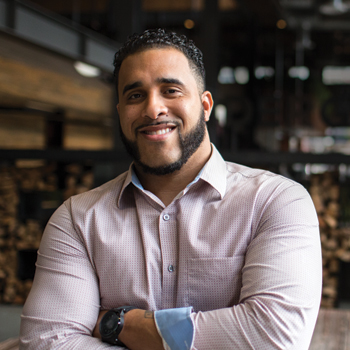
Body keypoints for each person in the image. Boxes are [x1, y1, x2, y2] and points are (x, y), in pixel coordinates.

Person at [20, 28, 322, 349]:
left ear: (205, 106)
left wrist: (117, 323)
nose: (153, 109)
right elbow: (46, 343)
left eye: (171, 90)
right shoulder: (77, 219)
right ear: (121, 113)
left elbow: (275, 338)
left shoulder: (275, 201)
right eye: (135, 96)